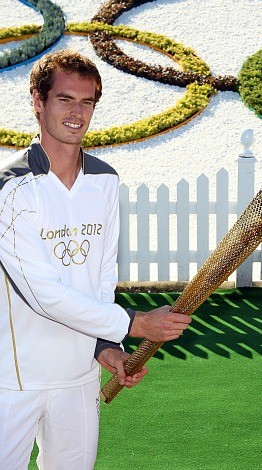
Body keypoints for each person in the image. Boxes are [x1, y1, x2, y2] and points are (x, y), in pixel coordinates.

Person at [0, 49, 192, 469]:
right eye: (65, 99)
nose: (77, 112)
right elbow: (43, 295)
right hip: (12, 381)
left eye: (87, 102)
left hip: (79, 380)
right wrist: (135, 324)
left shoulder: (105, 180)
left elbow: (103, 275)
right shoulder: (11, 188)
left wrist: (106, 346)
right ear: (38, 100)